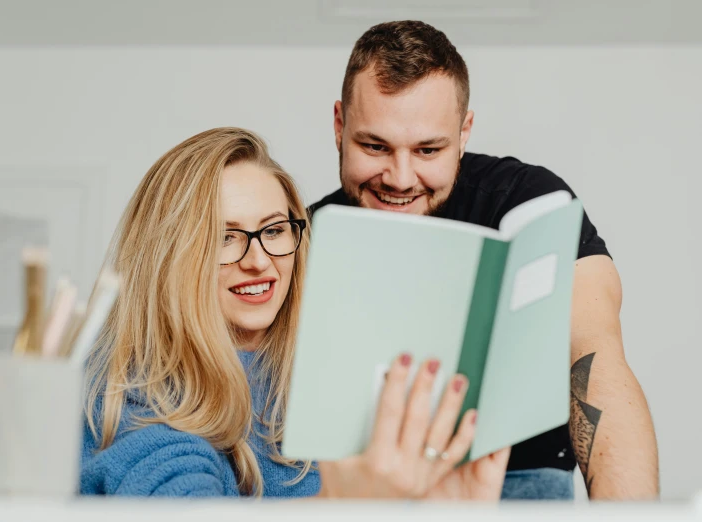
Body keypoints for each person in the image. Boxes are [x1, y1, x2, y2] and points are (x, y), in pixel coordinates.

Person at [308, 20, 659, 501]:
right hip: (352, 491)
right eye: (375, 146)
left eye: (428, 149)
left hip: (518, 480)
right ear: (339, 126)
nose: (400, 178)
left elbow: (591, 353)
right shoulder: (295, 238)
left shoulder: (528, 201)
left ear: (464, 131)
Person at [79, 127, 510, 499]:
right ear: (166, 256)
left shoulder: (331, 369)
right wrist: (349, 507)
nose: (259, 260)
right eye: (225, 237)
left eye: (274, 230)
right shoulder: (130, 386)